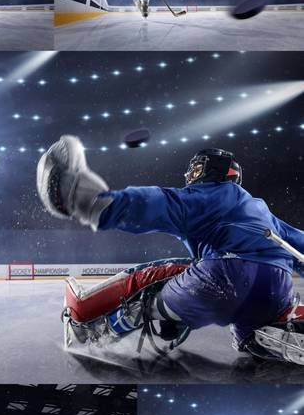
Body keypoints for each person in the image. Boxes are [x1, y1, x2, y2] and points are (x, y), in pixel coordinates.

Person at [37, 136, 304, 363]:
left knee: (160, 276)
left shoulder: (211, 194)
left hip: (223, 278)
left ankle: (88, 327)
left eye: (196, 168)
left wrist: (94, 204)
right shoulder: (261, 209)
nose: (190, 175)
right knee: (245, 333)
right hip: (276, 288)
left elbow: (158, 204)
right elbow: (298, 242)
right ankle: (270, 333)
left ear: (213, 171)